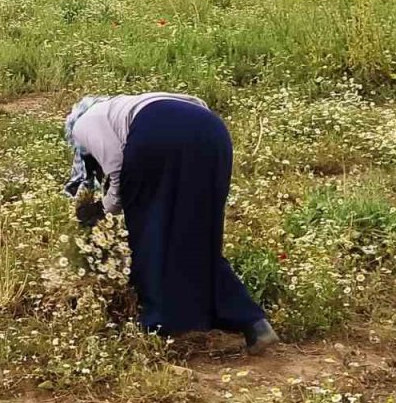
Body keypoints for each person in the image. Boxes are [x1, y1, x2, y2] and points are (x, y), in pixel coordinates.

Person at [64, 93, 277, 354]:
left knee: (149, 236)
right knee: (200, 236)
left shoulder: (85, 123)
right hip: (213, 134)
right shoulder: (128, 106)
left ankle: (160, 324)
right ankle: (253, 323)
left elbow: (117, 170)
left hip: (157, 137)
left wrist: (102, 209)